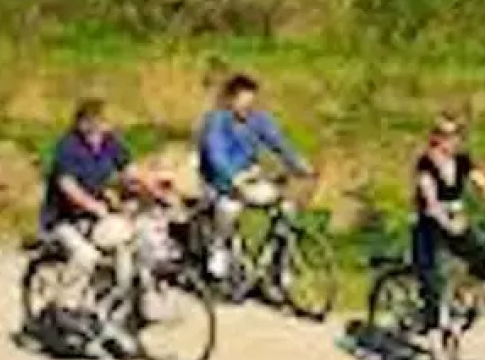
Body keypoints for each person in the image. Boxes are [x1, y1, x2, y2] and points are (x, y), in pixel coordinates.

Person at [38, 100, 169, 330]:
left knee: (133, 238)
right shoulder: (68, 147)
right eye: (99, 122)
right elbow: (68, 186)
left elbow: (130, 170)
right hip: (64, 219)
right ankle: (65, 308)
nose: (104, 126)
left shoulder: (108, 142)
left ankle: (124, 301)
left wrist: (156, 188)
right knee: (87, 255)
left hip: (97, 215)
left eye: (104, 122)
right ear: (84, 124)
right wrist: (93, 206)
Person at [411, 113, 485, 340]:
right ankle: (433, 338)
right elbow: (430, 201)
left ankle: (464, 295)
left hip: (457, 226)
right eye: (444, 135)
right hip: (430, 230)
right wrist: (446, 222)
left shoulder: (462, 161)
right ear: (435, 138)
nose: (451, 140)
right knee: (433, 284)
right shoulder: (426, 164)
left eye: (455, 135)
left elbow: (484, 184)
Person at [196, 73, 312, 278]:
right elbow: (216, 154)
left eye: (251, 100)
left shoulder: (259, 119)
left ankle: (280, 263)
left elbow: (279, 143)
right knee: (229, 206)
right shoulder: (216, 121)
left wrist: (299, 165)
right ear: (231, 99)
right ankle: (219, 247)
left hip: (249, 177)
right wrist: (232, 177)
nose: (248, 106)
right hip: (219, 180)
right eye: (243, 100)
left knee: (286, 207)